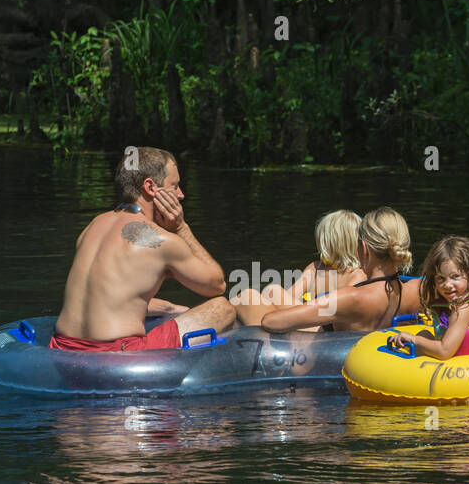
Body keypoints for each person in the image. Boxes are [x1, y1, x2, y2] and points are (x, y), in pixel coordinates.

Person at [51, 147, 234, 351]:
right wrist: (182, 228)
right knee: (222, 308)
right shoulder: (161, 240)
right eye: (174, 186)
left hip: (61, 346)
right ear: (150, 187)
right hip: (118, 354)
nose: (181, 195)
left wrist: (171, 308)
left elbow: (112, 297)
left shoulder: (93, 225)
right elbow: (216, 285)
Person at [230, 207, 419, 333]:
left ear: (363, 248)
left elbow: (270, 322)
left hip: (311, 357)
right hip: (365, 357)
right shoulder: (416, 290)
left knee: (247, 297)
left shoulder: (348, 297)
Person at [231, 209, 366, 326]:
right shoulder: (315, 268)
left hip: (321, 329)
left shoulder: (357, 275)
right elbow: (290, 296)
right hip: (301, 321)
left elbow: (343, 314)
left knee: (273, 291)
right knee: (248, 296)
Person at [389, 236, 469, 358]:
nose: (447, 285)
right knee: (425, 334)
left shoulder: (462, 310)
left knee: (422, 336)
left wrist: (414, 339)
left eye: (455, 276)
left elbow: (444, 352)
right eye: (441, 278)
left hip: (465, 367)